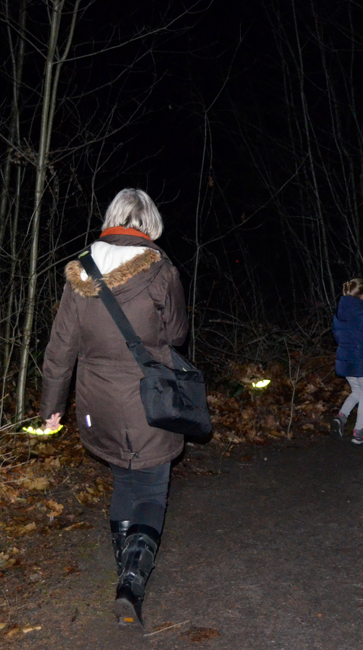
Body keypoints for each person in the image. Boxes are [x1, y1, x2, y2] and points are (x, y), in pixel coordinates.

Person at [39, 188, 188, 628]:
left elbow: (60, 348)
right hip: (149, 400)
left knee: (124, 479)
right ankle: (131, 579)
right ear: (150, 225)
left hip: (97, 403)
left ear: (112, 219)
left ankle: (125, 565)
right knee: (151, 485)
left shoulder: (79, 271)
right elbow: (176, 334)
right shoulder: (161, 270)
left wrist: (52, 407)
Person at [329, 277, 363, 445]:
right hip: (362, 360)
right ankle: (359, 432)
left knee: (356, 392)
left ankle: (341, 417)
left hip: (345, 360)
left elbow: (337, 336)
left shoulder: (338, 315)